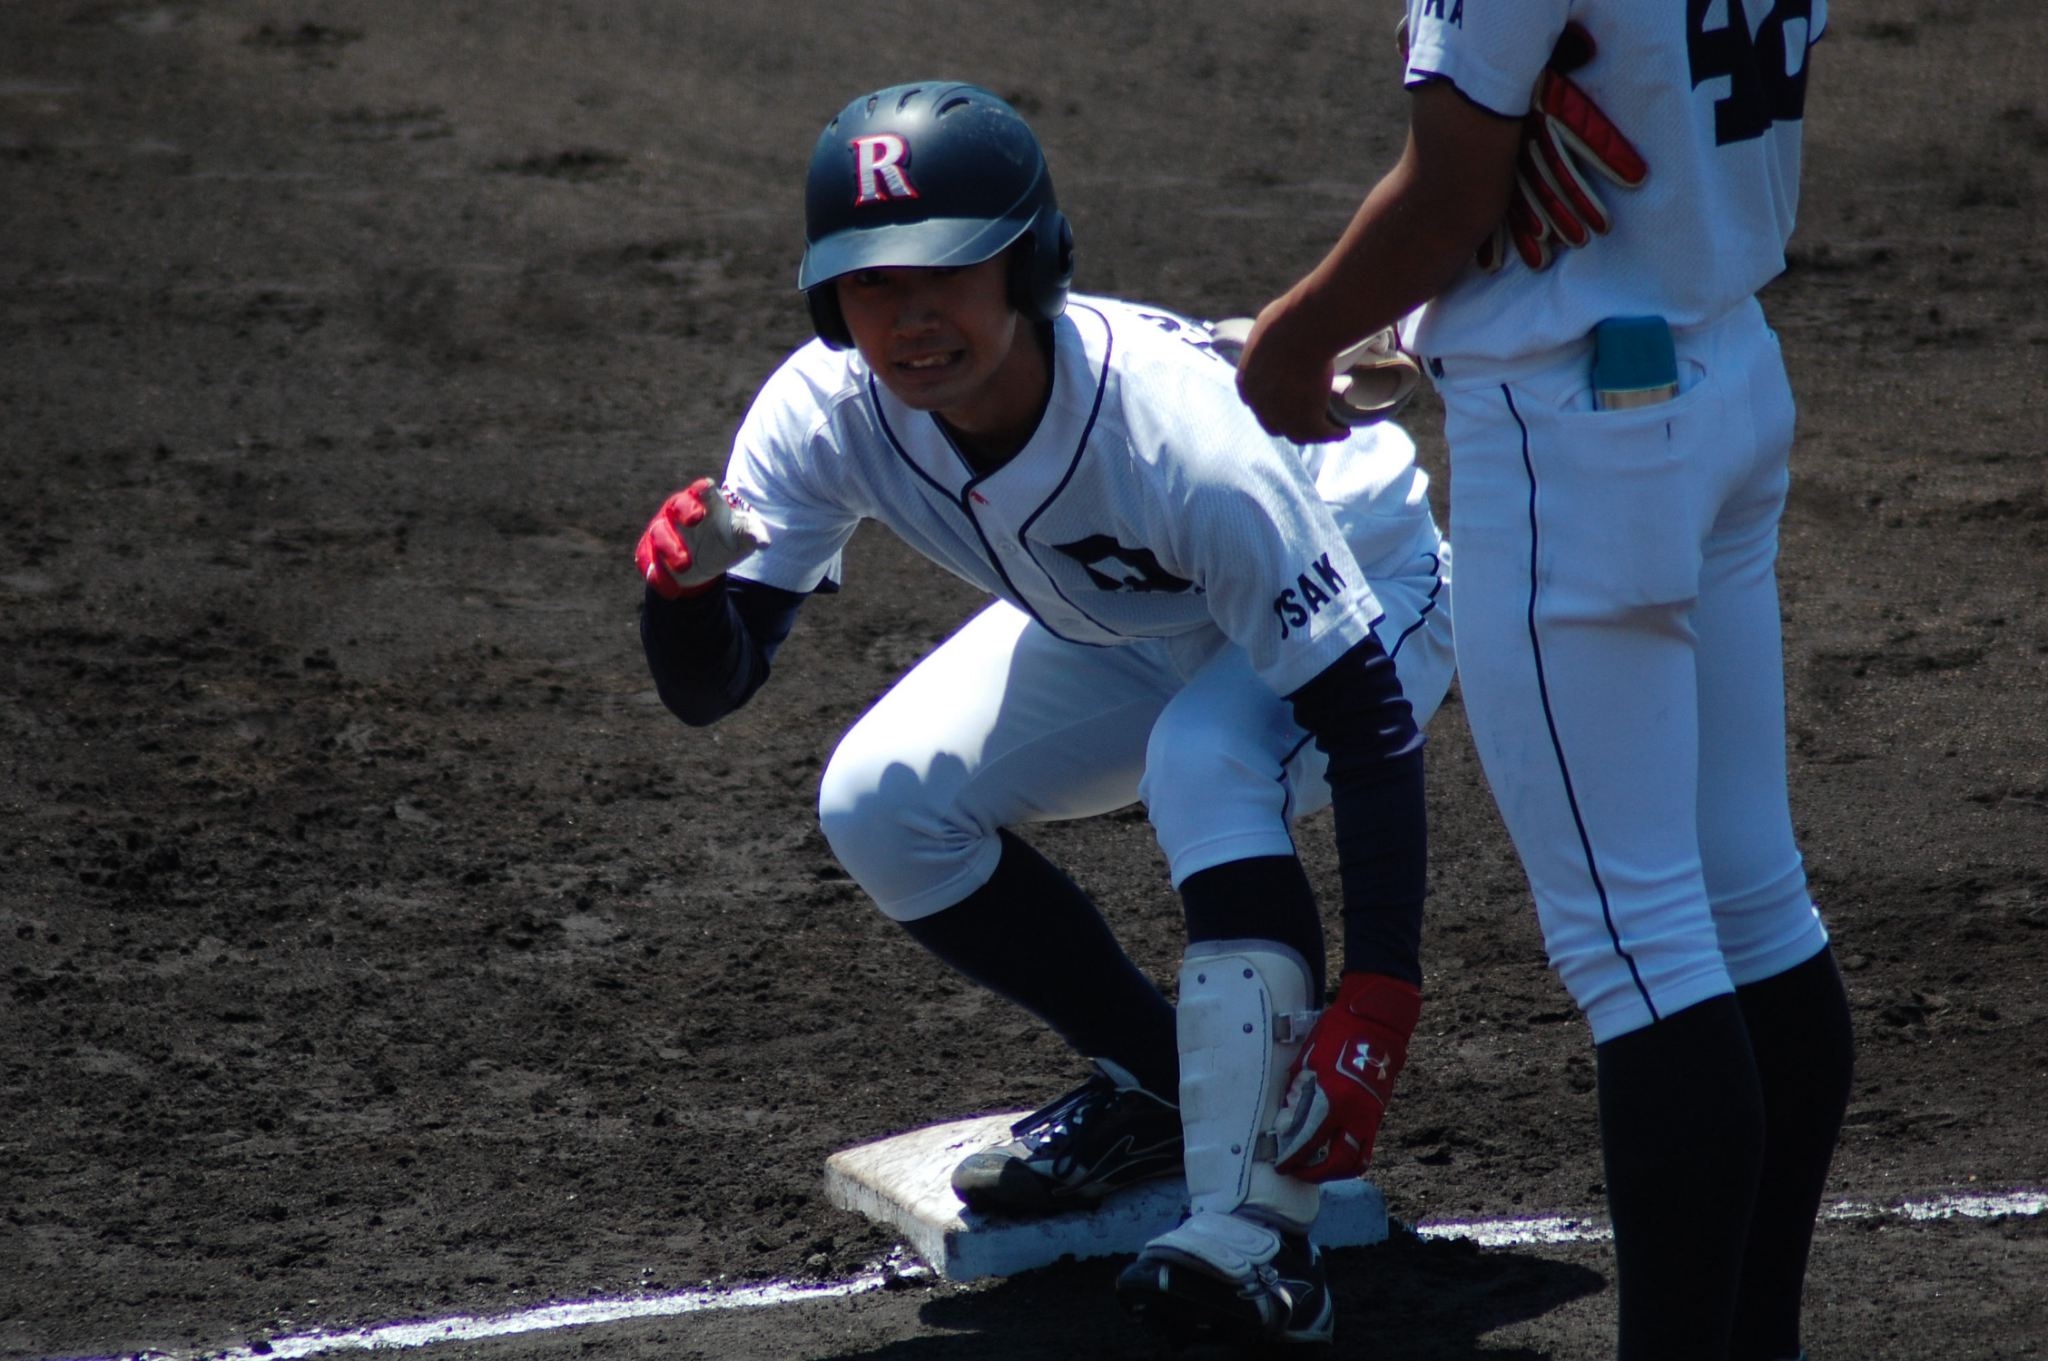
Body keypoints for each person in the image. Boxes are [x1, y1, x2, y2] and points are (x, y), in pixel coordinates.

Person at [634, 81, 1454, 1349]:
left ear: (1027, 268)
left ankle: (1260, 1227)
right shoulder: (826, 412)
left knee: (1206, 755)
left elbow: (1367, 725)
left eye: (947, 273)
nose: (910, 317)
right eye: (870, 284)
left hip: (1362, 582)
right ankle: (1167, 1084)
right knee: (881, 803)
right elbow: (713, 683)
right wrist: (680, 598)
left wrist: (1378, 998)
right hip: (1121, 618)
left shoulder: (1178, 441)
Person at [1232, 6, 1854, 1361]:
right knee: (1752, 904)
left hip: (1580, 428)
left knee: (1641, 947)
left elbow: (1451, 195)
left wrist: (1294, 336)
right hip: (1726, 365)